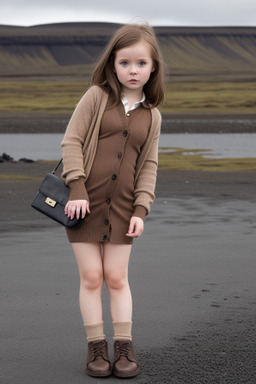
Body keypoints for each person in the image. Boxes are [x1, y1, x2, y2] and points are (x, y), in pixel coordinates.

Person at [61, 23, 164, 378]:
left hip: (123, 209)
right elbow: (71, 142)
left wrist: (141, 208)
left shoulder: (153, 115)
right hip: (83, 206)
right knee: (91, 277)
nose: (132, 70)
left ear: (153, 68)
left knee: (116, 277)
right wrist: (76, 188)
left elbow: (148, 164)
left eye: (140, 63)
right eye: (124, 63)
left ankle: (124, 347)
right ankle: (96, 349)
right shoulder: (96, 97)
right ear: (112, 65)